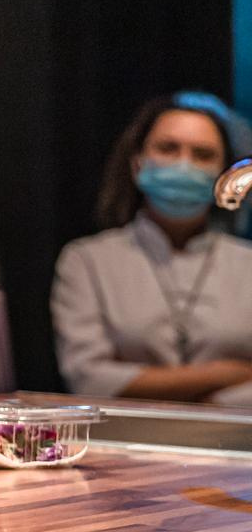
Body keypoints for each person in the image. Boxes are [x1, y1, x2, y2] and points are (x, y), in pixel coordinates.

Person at [51, 91, 252, 405]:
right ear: (137, 164)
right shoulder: (87, 260)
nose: (184, 165)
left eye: (202, 154)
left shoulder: (247, 263)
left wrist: (144, 383)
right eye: (168, 148)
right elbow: (89, 378)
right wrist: (229, 373)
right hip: (122, 443)